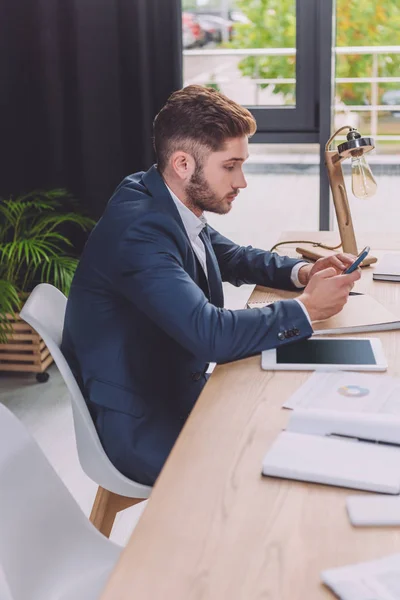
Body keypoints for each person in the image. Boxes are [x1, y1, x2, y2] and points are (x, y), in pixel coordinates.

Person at [62, 85, 360, 486]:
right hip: (147, 424)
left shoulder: (160, 195)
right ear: (183, 164)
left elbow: (232, 257)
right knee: (286, 462)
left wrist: (302, 273)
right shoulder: (140, 230)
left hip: (177, 388)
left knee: (297, 422)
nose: (242, 181)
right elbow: (211, 336)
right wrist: (307, 308)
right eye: (230, 165)